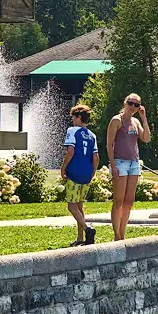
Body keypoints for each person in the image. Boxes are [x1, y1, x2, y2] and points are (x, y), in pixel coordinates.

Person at [107, 93, 150, 240]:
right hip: (120, 162)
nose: (133, 107)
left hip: (134, 163)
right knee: (118, 200)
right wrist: (113, 165)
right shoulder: (116, 120)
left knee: (129, 201)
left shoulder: (136, 122)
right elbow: (109, 145)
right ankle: (117, 235)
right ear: (125, 103)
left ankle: (123, 234)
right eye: (131, 103)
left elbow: (146, 138)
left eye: (136, 105)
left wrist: (144, 118)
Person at [61, 104, 99, 246]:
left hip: (74, 173)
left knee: (71, 206)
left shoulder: (72, 131)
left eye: (73, 117)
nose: (72, 120)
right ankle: (80, 238)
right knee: (80, 206)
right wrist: (92, 172)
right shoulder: (92, 135)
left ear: (78, 117)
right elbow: (96, 157)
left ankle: (88, 229)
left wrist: (63, 167)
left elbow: (70, 151)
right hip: (86, 174)